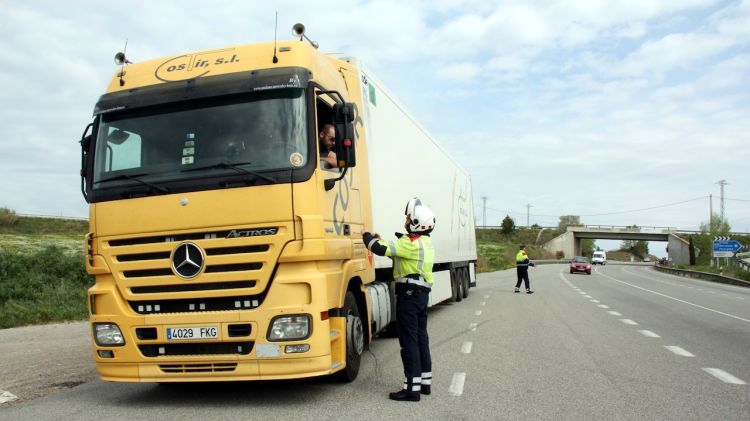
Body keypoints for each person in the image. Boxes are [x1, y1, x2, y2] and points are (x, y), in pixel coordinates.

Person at [363, 197, 436, 402]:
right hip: (420, 297)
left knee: (409, 342)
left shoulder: (410, 243)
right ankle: (424, 383)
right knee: (421, 339)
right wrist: (381, 239)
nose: (406, 219)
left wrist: (366, 236)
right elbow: (397, 252)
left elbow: (379, 249)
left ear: (416, 223)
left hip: (409, 297)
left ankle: (411, 390)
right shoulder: (424, 242)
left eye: (408, 217)